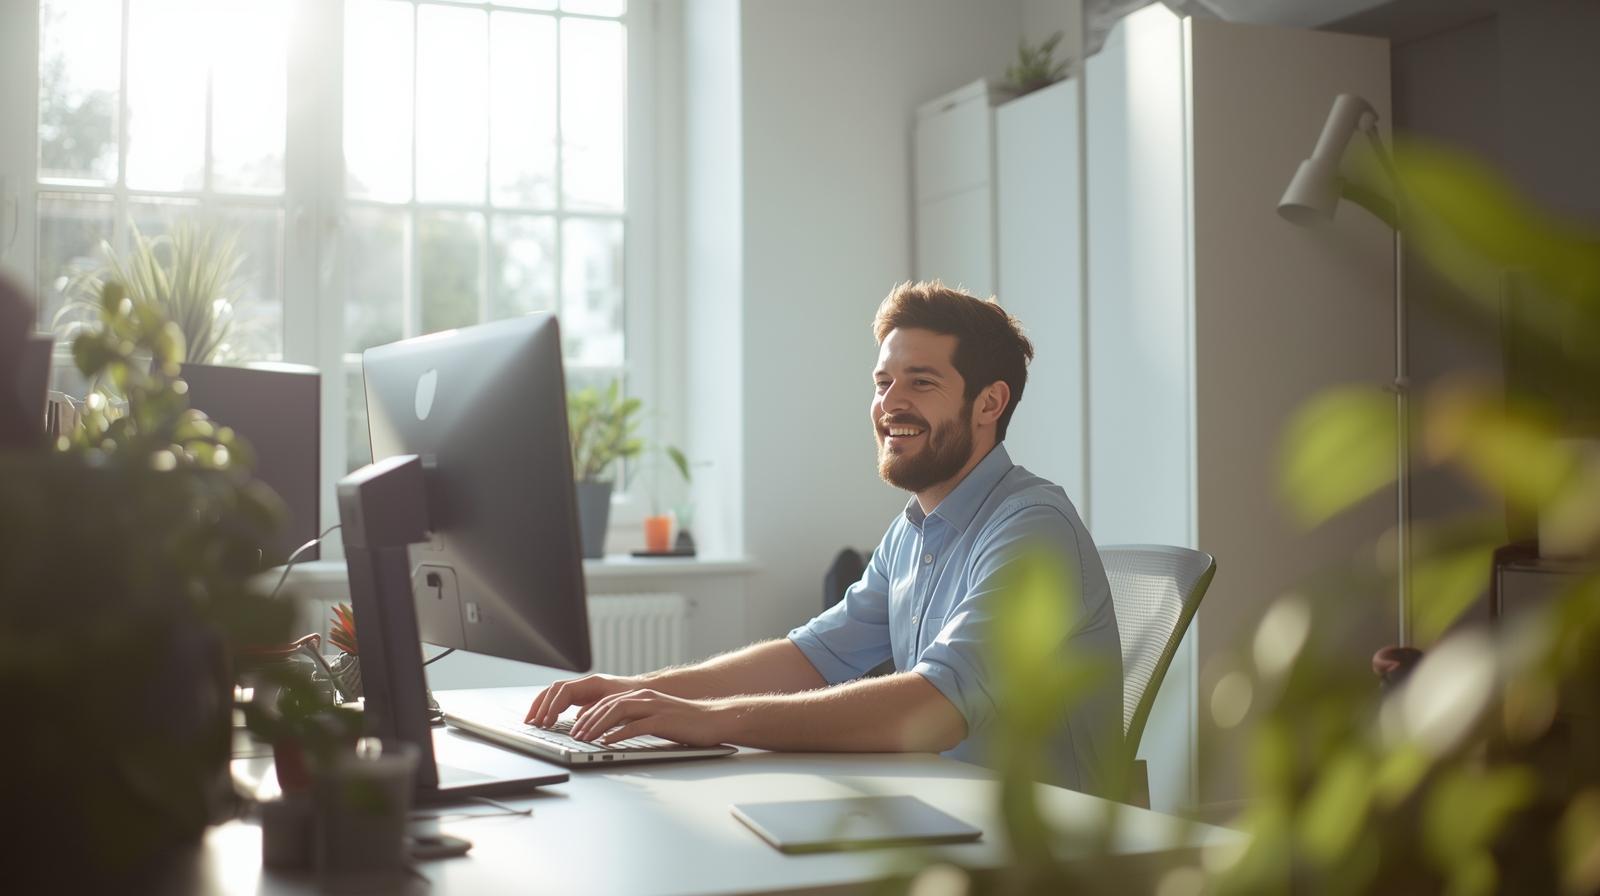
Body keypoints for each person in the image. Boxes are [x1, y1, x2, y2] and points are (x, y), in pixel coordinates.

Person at [526, 281, 1124, 794]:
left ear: (989, 402)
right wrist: (641, 690)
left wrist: (710, 720)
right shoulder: (911, 533)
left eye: (921, 382)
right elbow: (810, 658)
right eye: (883, 381)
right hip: (944, 815)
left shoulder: (1030, 528)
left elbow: (934, 710)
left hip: (1045, 854)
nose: (891, 403)